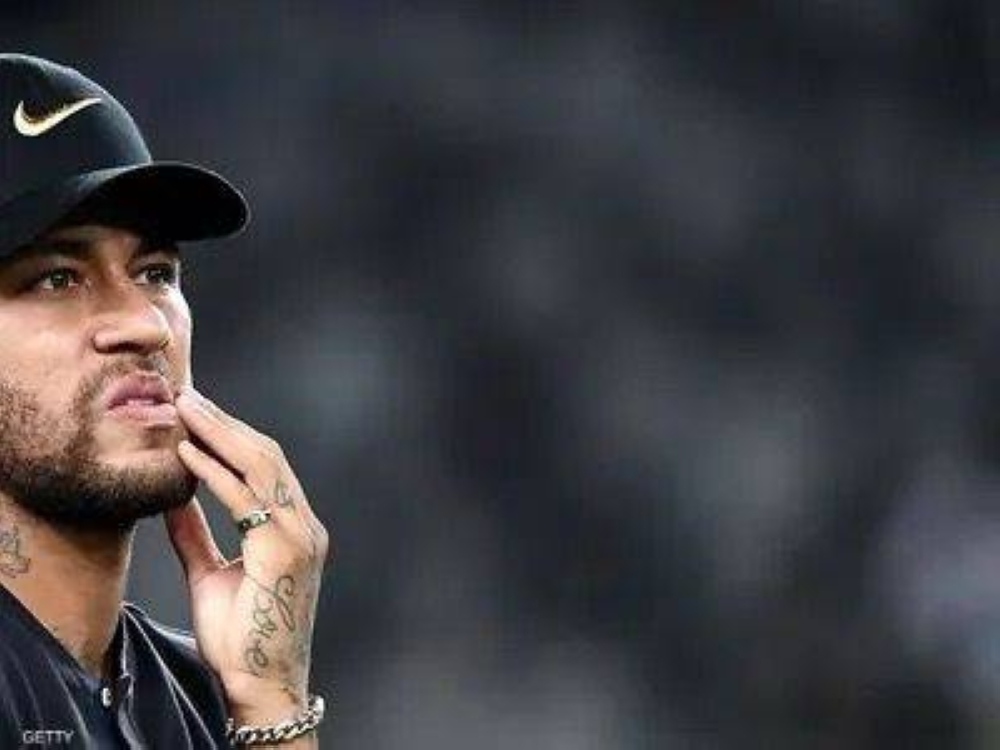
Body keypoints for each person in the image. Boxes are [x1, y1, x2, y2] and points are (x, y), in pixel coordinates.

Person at [0, 54, 330, 748]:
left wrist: (270, 706)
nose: (146, 325)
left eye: (155, 272)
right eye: (57, 277)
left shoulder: (203, 697)